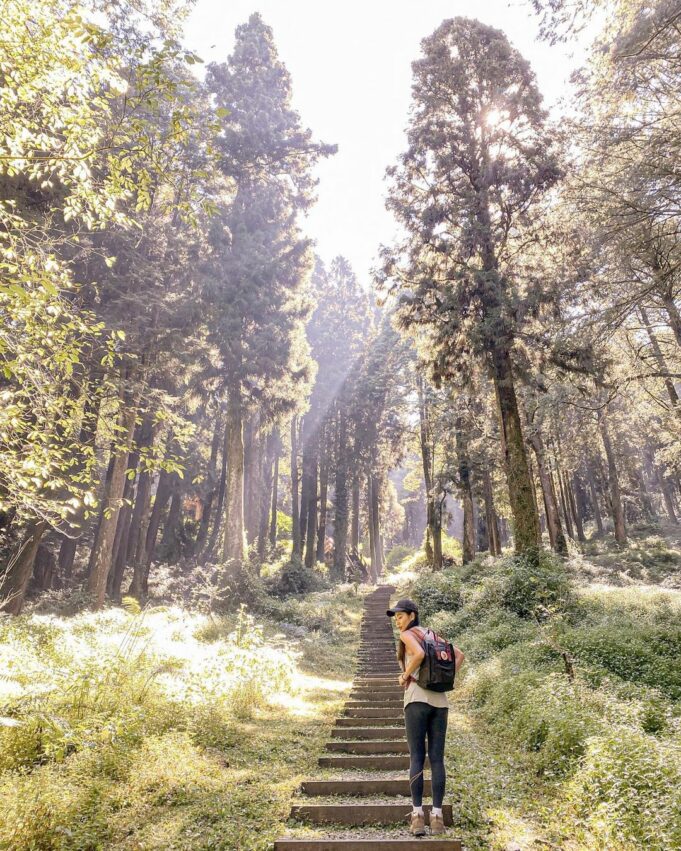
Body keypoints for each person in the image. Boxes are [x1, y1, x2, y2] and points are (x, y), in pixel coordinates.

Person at [386, 598, 464, 837]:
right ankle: (438, 817)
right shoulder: (434, 635)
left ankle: (418, 816)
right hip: (440, 703)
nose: (397, 621)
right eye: (396, 617)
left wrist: (405, 676)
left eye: (400, 616)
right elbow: (459, 656)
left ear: (412, 615)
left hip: (416, 700)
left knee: (417, 757)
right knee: (437, 759)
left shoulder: (409, 635)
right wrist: (444, 680)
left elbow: (418, 654)